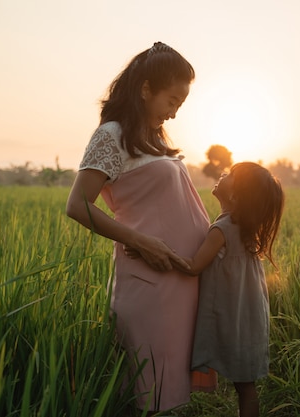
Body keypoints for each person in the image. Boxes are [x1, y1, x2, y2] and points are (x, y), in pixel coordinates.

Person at [66, 41, 214, 413]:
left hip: (179, 283)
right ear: (146, 88)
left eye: (180, 105)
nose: (174, 114)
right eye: (171, 102)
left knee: (169, 394)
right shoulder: (111, 134)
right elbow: (78, 205)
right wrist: (141, 241)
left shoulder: (152, 137)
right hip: (149, 280)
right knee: (147, 393)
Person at [178, 162, 284, 417]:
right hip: (250, 318)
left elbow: (193, 266)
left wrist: (154, 251)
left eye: (229, 175)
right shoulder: (246, 230)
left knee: (244, 387)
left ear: (235, 195)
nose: (222, 175)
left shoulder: (221, 229)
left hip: (232, 319)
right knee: (246, 386)